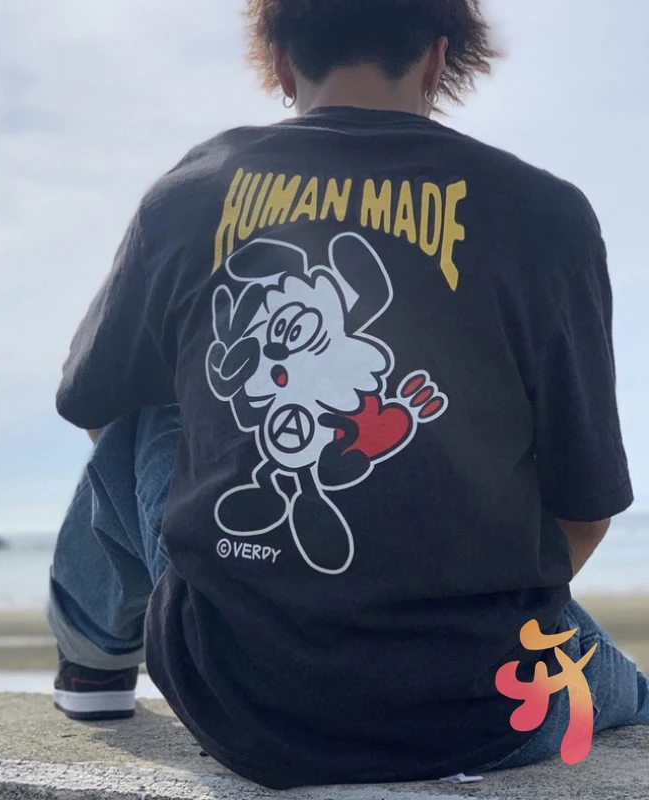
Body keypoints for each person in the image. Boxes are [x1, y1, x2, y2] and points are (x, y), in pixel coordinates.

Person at [47, 0, 648, 789]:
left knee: (139, 398)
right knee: (627, 692)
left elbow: (92, 405)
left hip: (236, 699)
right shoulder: (548, 215)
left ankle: (92, 660)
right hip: (490, 710)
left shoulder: (192, 190)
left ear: (281, 61)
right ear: (437, 60)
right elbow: (586, 511)